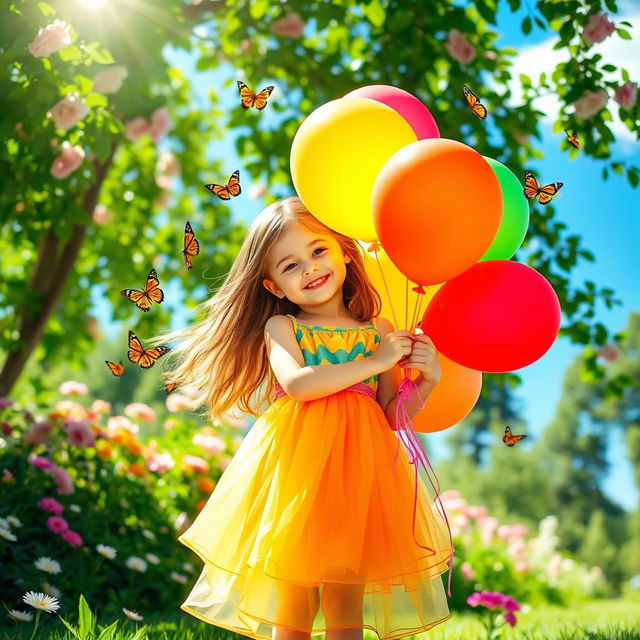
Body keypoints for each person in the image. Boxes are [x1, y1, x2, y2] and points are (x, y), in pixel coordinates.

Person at [151, 196, 453, 640]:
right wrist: (375, 362)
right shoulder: (284, 330)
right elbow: (298, 385)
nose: (310, 268)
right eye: (290, 266)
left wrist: (425, 383)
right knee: (293, 601)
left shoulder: (380, 332)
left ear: (344, 252)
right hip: (300, 478)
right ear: (274, 287)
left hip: (359, 480)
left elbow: (391, 415)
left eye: (317, 251)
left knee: (345, 601)